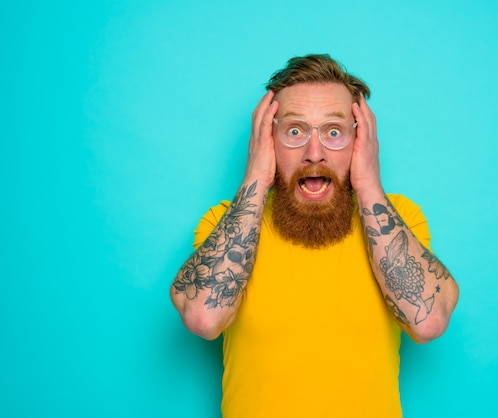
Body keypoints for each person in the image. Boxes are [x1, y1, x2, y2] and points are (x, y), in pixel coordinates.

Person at [171, 54, 459, 418]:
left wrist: (368, 181)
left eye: (334, 132)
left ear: (361, 140)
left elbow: (428, 321)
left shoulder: (399, 219)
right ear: (268, 139)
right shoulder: (226, 222)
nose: (314, 153)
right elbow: (203, 318)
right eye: (294, 131)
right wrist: (257, 175)